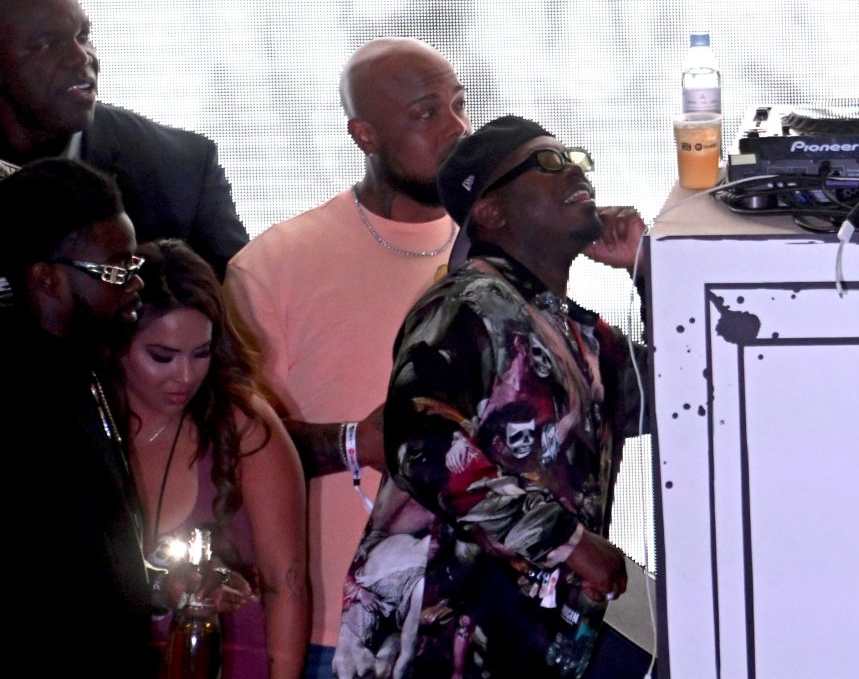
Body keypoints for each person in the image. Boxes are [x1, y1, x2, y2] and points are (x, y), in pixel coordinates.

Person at [335, 116, 649, 678]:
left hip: (524, 642)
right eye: (548, 162)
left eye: (575, 156)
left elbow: (693, 390)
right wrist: (568, 541)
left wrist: (648, 268)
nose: (575, 169)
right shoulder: (466, 303)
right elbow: (420, 448)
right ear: (491, 211)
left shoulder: (582, 337)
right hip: (439, 639)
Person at [226, 38, 469, 678]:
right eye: (426, 113)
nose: (456, 130)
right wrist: (357, 443)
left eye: (458, 105)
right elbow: (232, 452)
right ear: (364, 134)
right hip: (332, 632)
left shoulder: (504, 256)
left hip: (472, 630)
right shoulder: (274, 265)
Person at [112, 239, 308, 679]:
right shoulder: (90, 419)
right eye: (162, 356)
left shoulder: (242, 424)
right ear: (119, 343)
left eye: (200, 353)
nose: (184, 376)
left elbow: (286, 584)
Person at [0, 158, 157, 676]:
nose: (134, 284)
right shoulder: (19, 396)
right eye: (115, 269)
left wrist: (151, 580)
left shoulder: (85, 370)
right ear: (45, 278)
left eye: (136, 266)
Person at [0, 0, 249, 273]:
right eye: (46, 44)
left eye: (83, 36)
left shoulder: (181, 171)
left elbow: (235, 313)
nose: (82, 58)